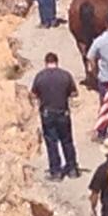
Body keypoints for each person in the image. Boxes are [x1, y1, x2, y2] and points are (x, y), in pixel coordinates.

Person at [31, 52, 80, 181]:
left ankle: (56, 172)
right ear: (57, 62)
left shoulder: (40, 77)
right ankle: (72, 169)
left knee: (51, 143)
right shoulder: (65, 75)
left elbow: (33, 94)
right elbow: (74, 93)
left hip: (47, 114)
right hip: (63, 112)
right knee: (67, 141)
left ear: (46, 62)